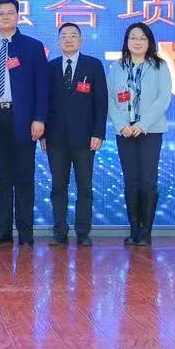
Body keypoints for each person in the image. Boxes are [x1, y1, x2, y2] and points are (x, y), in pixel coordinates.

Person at [0, 0, 49, 247]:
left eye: (10, 13)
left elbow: (42, 86)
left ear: (18, 16)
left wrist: (39, 118)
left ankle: (26, 233)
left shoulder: (32, 47)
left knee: (24, 177)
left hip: (23, 118)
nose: (5, 17)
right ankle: (3, 230)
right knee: (0, 178)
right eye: (1, 13)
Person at [107, 22, 173, 247]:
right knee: (131, 182)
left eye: (142, 38)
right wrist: (121, 125)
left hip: (150, 131)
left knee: (147, 181)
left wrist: (142, 124)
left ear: (149, 42)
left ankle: (146, 232)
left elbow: (163, 99)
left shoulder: (159, 65)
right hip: (124, 132)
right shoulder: (117, 67)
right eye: (133, 37)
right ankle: (134, 229)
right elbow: (110, 98)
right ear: (126, 41)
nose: (137, 42)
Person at [43, 22, 107, 246]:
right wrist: (43, 135)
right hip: (56, 139)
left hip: (85, 138)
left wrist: (98, 133)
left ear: (81, 40)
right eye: (64, 36)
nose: (68, 39)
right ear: (58, 41)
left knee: (84, 187)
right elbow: (44, 103)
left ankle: (83, 232)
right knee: (58, 187)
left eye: (73, 35)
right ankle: (59, 231)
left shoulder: (93, 65)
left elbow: (101, 102)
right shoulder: (50, 67)